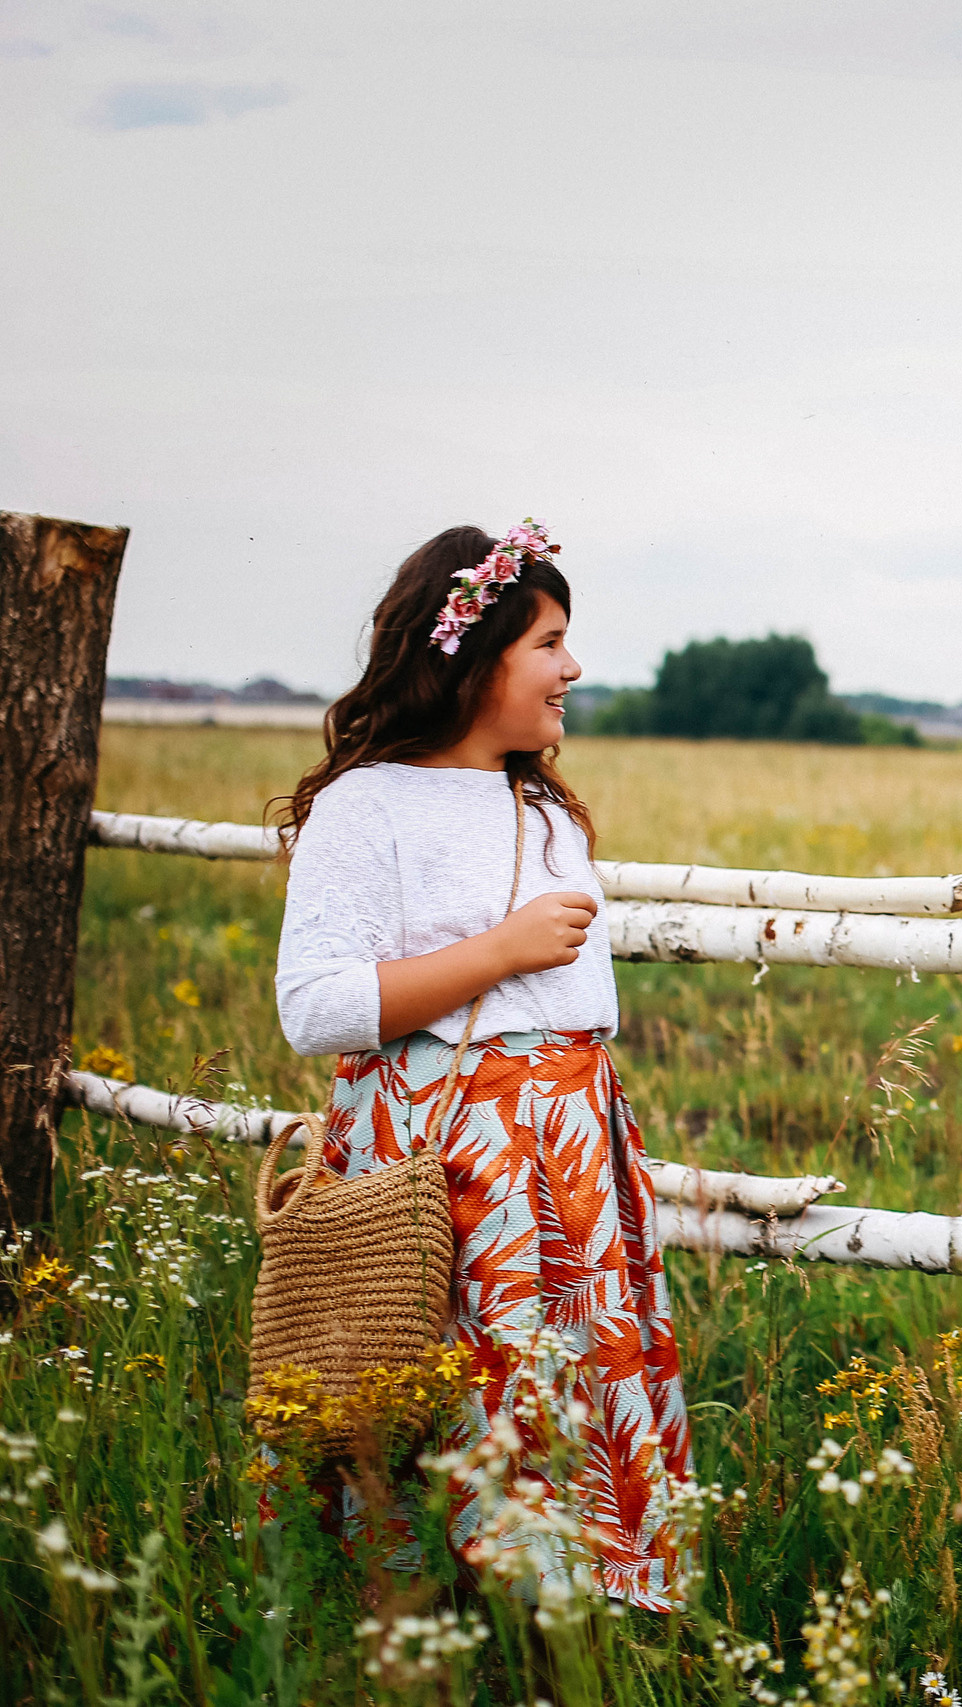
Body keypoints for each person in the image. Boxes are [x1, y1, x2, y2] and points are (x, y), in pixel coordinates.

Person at [272, 521, 690, 1609]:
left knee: (568, 1409)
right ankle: (424, 1630)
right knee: (434, 1391)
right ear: (472, 656)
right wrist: (496, 952)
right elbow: (316, 1008)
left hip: (571, 1158)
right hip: (438, 1166)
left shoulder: (541, 807)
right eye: (550, 641)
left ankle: (566, 1635)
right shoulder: (367, 807)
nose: (573, 667)